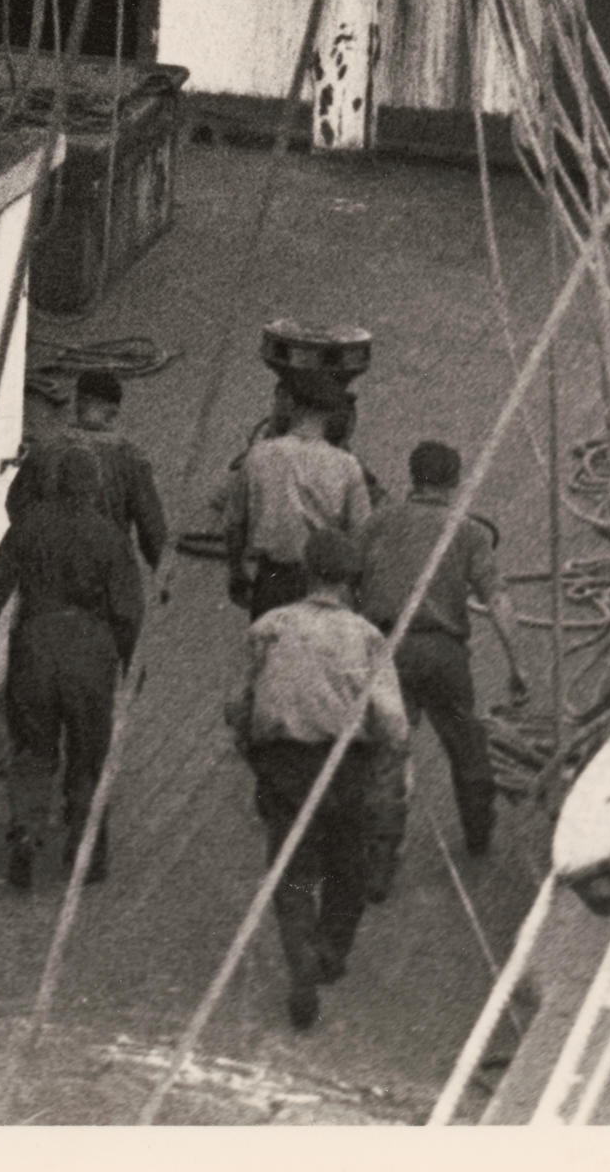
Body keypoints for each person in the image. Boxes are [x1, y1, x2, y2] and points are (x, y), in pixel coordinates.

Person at [225, 527, 409, 1029]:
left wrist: (248, 744)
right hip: (346, 767)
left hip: (284, 764)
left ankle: (299, 955)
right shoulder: (366, 636)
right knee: (347, 869)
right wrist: (392, 767)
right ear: (351, 580)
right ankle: (329, 951)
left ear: (306, 574)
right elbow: (393, 723)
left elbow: (238, 704)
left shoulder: (270, 627)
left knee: (291, 870)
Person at [0, 442, 141, 890]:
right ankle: (85, 852)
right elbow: (128, 612)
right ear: (95, 488)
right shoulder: (111, 537)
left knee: (33, 750)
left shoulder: (29, 525)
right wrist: (127, 662)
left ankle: (27, 832)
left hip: (35, 648)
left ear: (56, 483)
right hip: (91, 651)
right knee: (88, 756)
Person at [359, 440, 529, 859]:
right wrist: (517, 666)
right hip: (443, 653)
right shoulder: (468, 532)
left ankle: (380, 854)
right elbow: (497, 600)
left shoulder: (376, 523)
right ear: (454, 482)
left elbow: (348, 580)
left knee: (386, 752)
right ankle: (477, 835)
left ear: (412, 476)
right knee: (466, 746)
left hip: (386, 649)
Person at [9, 368, 168, 636]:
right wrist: (160, 574)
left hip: (48, 579)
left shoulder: (43, 450)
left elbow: (16, 507)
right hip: (102, 583)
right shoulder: (131, 458)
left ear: (77, 404)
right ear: (113, 412)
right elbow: (151, 529)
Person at [226, 378, 370, 617]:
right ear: (331, 413)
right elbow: (360, 533)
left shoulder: (258, 456)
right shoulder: (346, 465)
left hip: (272, 579)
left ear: (292, 405)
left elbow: (235, 523)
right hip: (325, 584)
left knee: (270, 636)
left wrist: (236, 570)